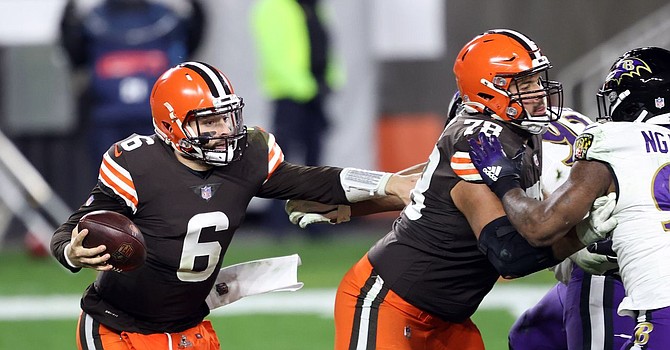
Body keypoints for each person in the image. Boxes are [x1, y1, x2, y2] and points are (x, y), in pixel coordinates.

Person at [49, 61, 414, 350]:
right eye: (208, 122)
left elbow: (318, 181)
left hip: (188, 325)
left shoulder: (249, 155)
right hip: (119, 325)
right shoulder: (137, 165)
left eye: (226, 117)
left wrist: (388, 183)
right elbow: (72, 228)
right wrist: (72, 251)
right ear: (171, 126)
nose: (224, 129)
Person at [329, 29, 615, 350]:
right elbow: (509, 256)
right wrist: (582, 234)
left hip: (450, 320)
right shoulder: (478, 141)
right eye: (524, 84)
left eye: (537, 81)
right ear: (489, 91)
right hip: (392, 305)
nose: (538, 93)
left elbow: (426, 179)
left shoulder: (527, 132)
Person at [469, 46, 670, 350]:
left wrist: (503, 181)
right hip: (605, 274)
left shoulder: (613, 139)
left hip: (618, 281)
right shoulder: (583, 125)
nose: (538, 93)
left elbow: (540, 227)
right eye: (527, 84)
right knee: (528, 337)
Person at [507, 108, 633, 350]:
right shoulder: (562, 115)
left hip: (603, 262)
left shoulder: (503, 143)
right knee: (528, 338)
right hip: (595, 246)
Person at [59, 0, 205, 181]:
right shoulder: (93, 22)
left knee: (162, 185)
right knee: (113, 187)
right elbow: (75, 53)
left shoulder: (167, 20)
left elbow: (192, 39)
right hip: (107, 123)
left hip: (157, 122)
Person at [251, 0, 343, 239]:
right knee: (281, 161)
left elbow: (323, 43)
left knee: (315, 162)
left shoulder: (313, 6)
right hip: (290, 94)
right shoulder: (273, 7)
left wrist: (328, 82)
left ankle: (313, 221)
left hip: (314, 92)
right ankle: (277, 224)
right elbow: (276, 54)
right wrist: (305, 86)